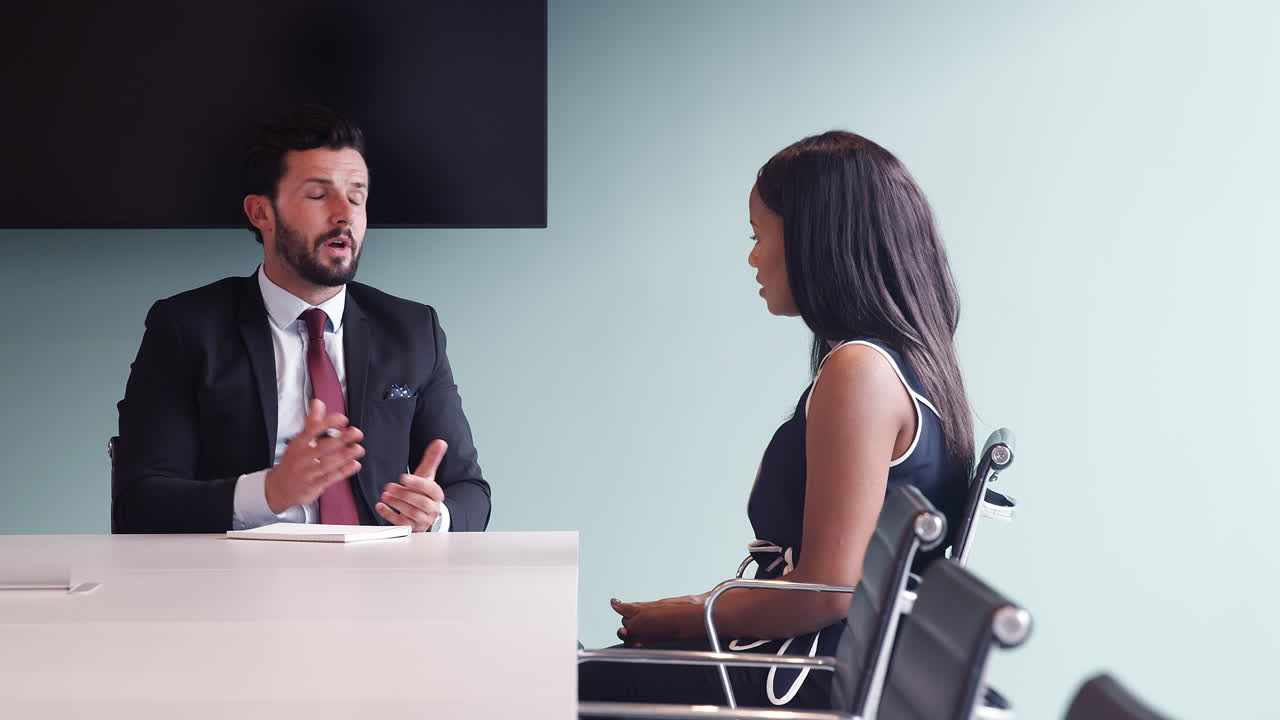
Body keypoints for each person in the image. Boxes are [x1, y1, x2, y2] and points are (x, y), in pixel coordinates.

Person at [579, 131, 974, 710]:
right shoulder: (908, 362)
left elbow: (828, 590)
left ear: (819, 240)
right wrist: (699, 607)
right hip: (829, 661)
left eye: (759, 235)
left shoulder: (858, 370)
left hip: (804, 674)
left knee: (561, 681)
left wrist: (694, 614)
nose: (752, 256)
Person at [113, 105, 490, 534]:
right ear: (262, 213)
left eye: (357, 195)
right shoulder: (186, 328)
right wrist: (269, 491)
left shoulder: (412, 329)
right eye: (318, 195)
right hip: (235, 584)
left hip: (382, 582)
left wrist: (435, 516)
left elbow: (469, 491)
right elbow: (141, 501)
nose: (344, 214)